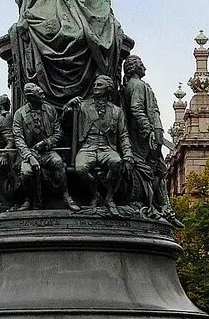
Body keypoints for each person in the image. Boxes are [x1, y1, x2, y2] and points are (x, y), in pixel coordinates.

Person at [65, 75, 133, 214]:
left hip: (107, 147)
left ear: (108, 89)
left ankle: (109, 197)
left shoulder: (117, 111)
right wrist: (68, 107)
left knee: (116, 162)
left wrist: (128, 155)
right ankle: (96, 193)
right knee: (81, 168)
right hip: (87, 147)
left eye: (99, 85)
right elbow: (65, 125)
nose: (95, 87)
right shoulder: (83, 106)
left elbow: (123, 135)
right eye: (95, 85)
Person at [121, 55, 175, 217]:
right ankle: (151, 204)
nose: (144, 67)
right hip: (145, 137)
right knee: (154, 170)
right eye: (141, 64)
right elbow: (136, 108)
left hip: (152, 134)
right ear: (133, 67)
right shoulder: (136, 85)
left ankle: (161, 206)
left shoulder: (137, 84)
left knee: (159, 169)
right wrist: (148, 131)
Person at [12, 82, 78, 211]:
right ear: (31, 97)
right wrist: (30, 157)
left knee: (58, 162)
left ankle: (66, 196)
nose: (43, 95)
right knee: (26, 172)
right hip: (29, 153)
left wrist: (46, 143)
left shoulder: (50, 109)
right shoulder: (19, 114)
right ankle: (28, 199)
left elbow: (59, 133)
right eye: (40, 93)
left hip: (47, 151)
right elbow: (18, 139)